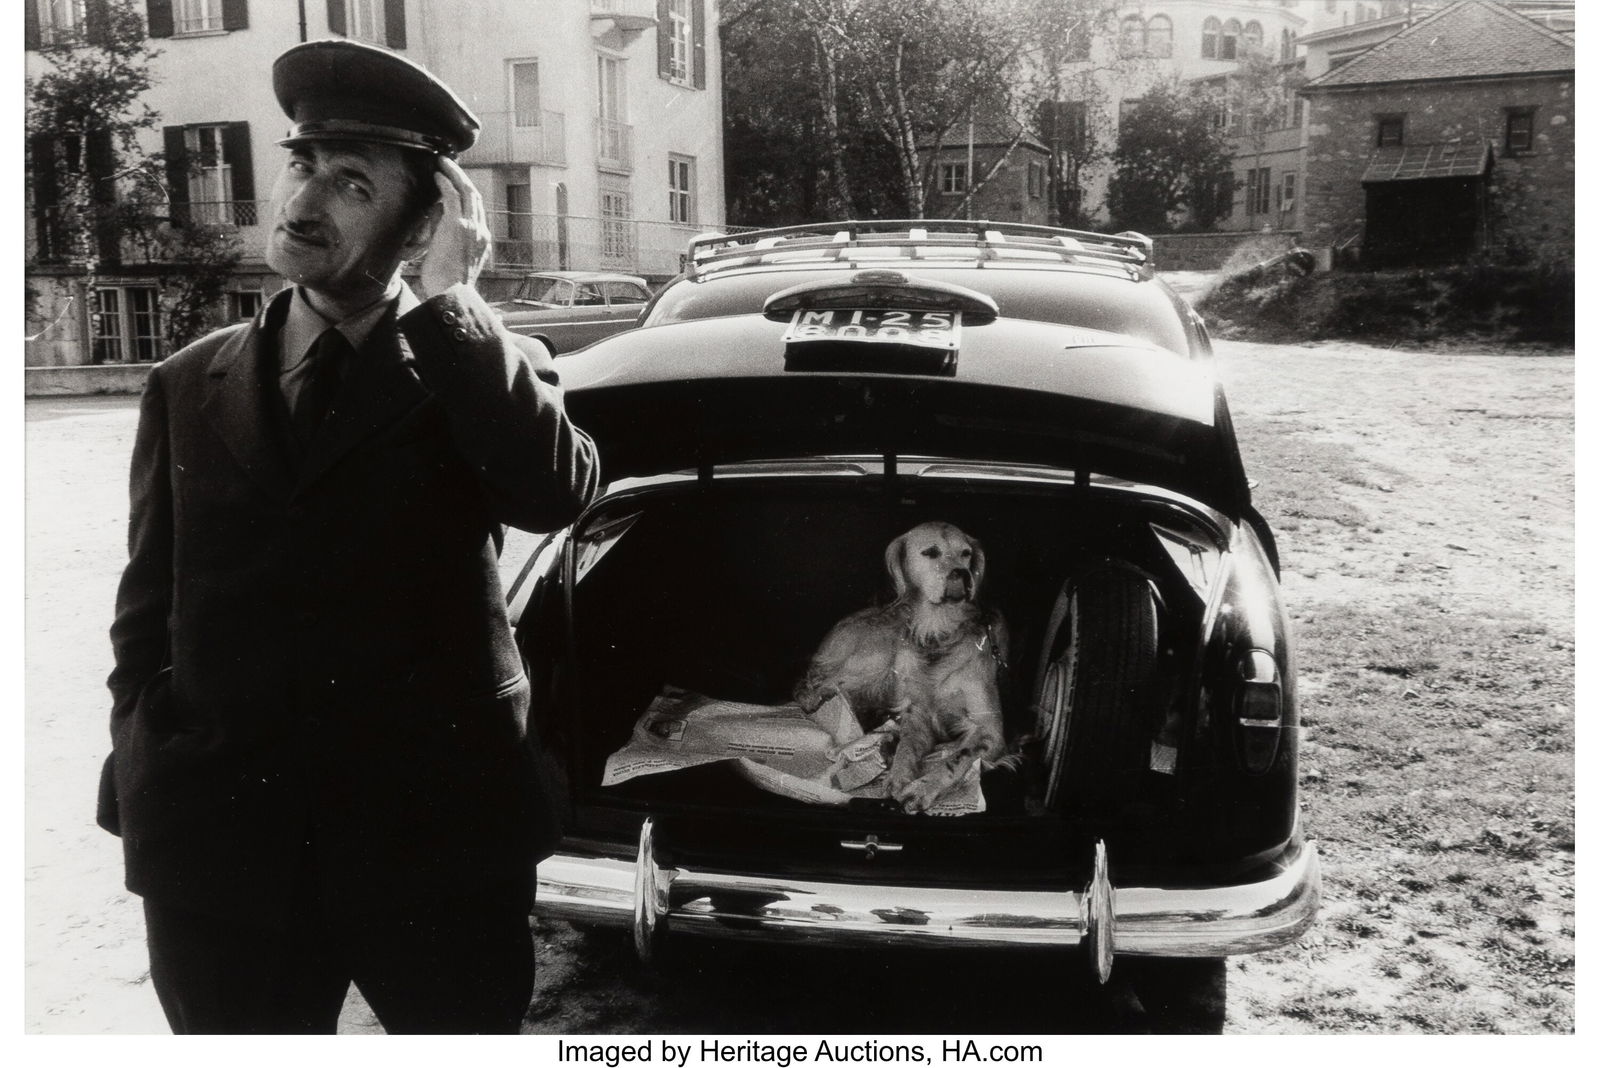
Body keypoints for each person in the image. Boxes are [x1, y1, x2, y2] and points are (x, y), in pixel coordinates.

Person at [97, 39, 600, 1034]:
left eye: (353, 183)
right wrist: (149, 750)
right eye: (301, 165)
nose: (306, 199)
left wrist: (458, 309)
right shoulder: (186, 382)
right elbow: (144, 609)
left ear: (421, 230)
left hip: (433, 842)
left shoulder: (478, 366)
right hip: (224, 849)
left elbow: (556, 493)